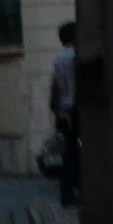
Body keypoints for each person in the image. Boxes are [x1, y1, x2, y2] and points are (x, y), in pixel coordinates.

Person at [49, 21, 79, 206]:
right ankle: (75, 190)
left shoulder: (59, 59)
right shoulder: (75, 56)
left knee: (70, 151)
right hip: (76, 108)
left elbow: (55, 88)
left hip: (64, 109)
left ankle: (66, 193)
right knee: (78, 151)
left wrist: (56, 110)